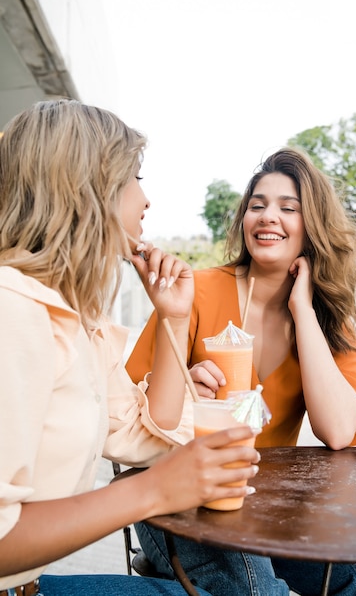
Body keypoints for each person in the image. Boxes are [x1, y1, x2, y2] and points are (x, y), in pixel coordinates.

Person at [0, 99, 264, 596]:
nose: (146, 201)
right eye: (135, 177)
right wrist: (153, 490)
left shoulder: (74, 315)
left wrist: (174, 316)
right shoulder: (12, 311)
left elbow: (145, 434)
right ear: (88, 188)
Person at [126, 147, 356, 595]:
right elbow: (128, 401)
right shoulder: (195, 291)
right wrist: (178, 384)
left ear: (312, 225)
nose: (268, 216)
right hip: (181, 494)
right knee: (257, 590)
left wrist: (304, 310)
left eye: (287, 208)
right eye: (257, 205)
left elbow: (336, 431)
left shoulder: (329, 317)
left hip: (270, 505)